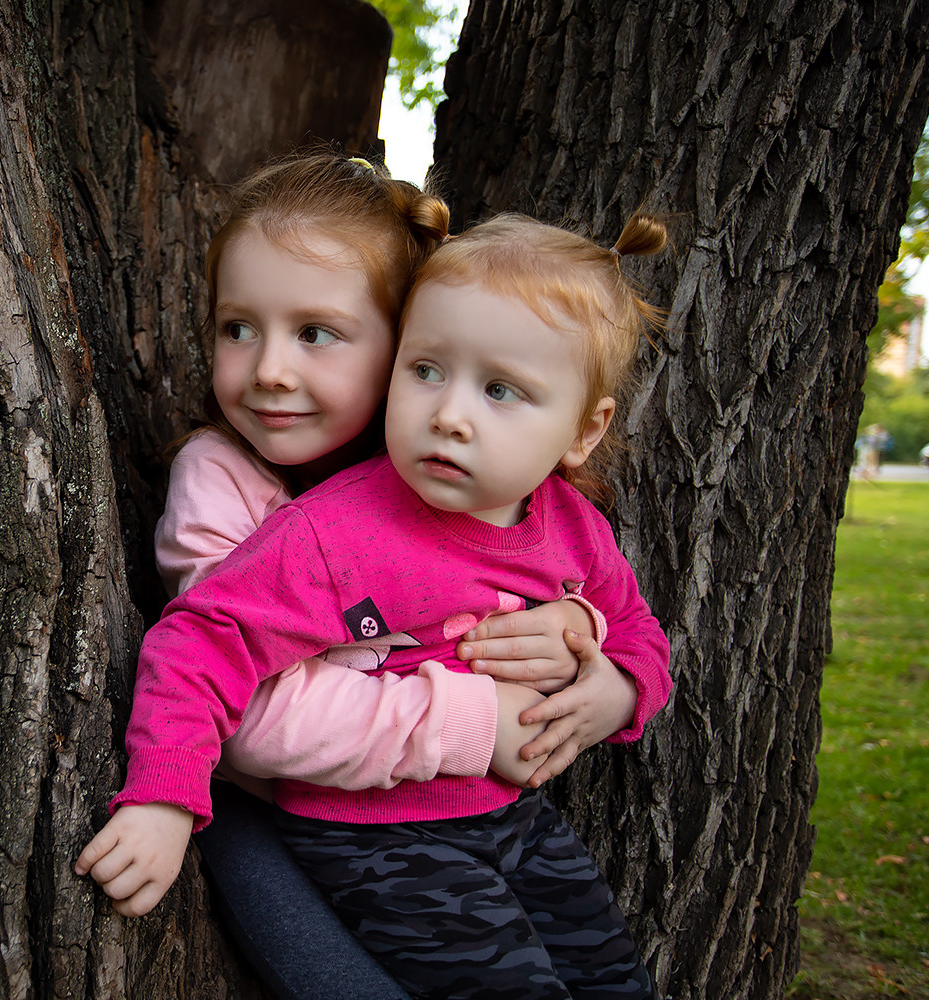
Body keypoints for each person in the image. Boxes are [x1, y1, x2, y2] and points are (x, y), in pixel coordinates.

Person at [78, 207, 674, 999]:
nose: (450, 414)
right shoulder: (336, 530)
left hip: (515, 818)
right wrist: (162, 795)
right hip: (381, 837)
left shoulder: (572, 525)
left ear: (584, 432)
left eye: (499, 389)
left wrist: (620, 688)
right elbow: (203, 638)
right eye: (428, 370)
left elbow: (636, 627)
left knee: (615, 980)